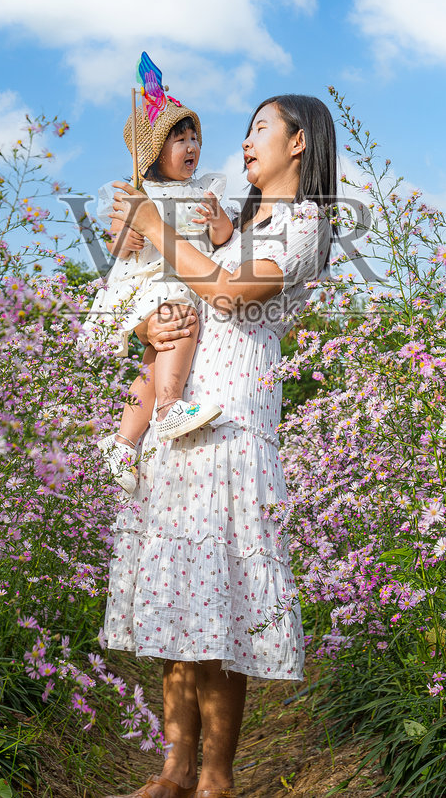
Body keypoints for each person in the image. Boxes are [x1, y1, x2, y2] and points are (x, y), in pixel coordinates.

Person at [98, 94, 338, 798]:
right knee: (178, 606)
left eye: (261, 126)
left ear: (299, 143)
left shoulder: (306, 223)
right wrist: (146, 323)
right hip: (181, 429)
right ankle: (173, 769)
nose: (246, 139)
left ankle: (215, 777)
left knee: (224, 612)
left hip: (234, 427)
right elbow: (177, 291)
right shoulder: (228, 224)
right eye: (246, 129)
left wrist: (160, 230)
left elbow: (232, 294)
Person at [77, 56, 236, 491]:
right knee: (179, 324)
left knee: (155, 357)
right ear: (152, 153)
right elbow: (117, 243)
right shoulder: (137, 193)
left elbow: (223, 239)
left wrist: (218, 219)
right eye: (178, 140)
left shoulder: (206, 191)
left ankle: (124, 441)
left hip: (185, 280)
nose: (191, 147)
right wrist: (125, 235)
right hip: (153, 282)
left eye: (194, 138)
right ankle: (168, 409)